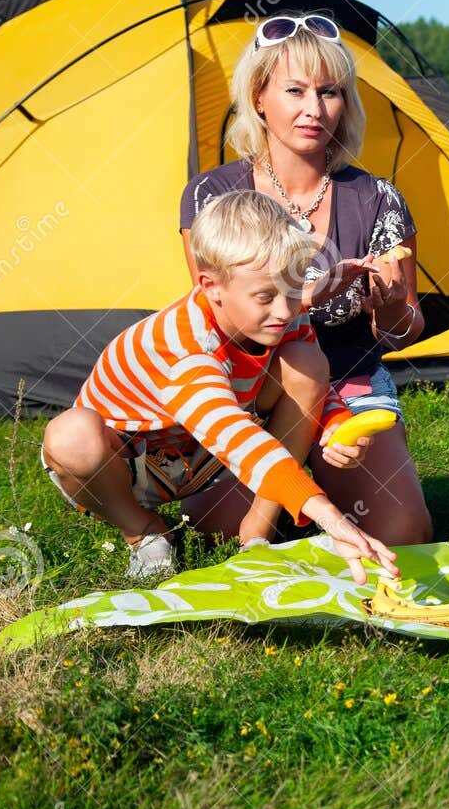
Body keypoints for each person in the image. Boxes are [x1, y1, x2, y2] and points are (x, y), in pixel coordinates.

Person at [41, 191, 397, 584]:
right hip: (128, 466)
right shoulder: (183, 345)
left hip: (205, 455)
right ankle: (143, 531)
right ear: (211, 287)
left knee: (307, 361)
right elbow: (233, 433)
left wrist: (334, 427)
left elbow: (314, 388)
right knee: (71, 436)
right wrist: (328, 515)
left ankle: (256, 535)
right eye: (265, 296)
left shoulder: (280, 314)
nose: (285, 310)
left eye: (294, 291)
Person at [179, 13, 431, 547]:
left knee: (404, 533)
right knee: (211, 525)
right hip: (251, 391)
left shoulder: (378, 199)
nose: (314, 110)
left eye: (330, 92)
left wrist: (387, 310)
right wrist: (311, 296)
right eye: (294, 90)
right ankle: (300, 502)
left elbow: (406, 329)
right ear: (259, 95)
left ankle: (320, 494)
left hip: (351, 385)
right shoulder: (211, 197)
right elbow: (215, 322)